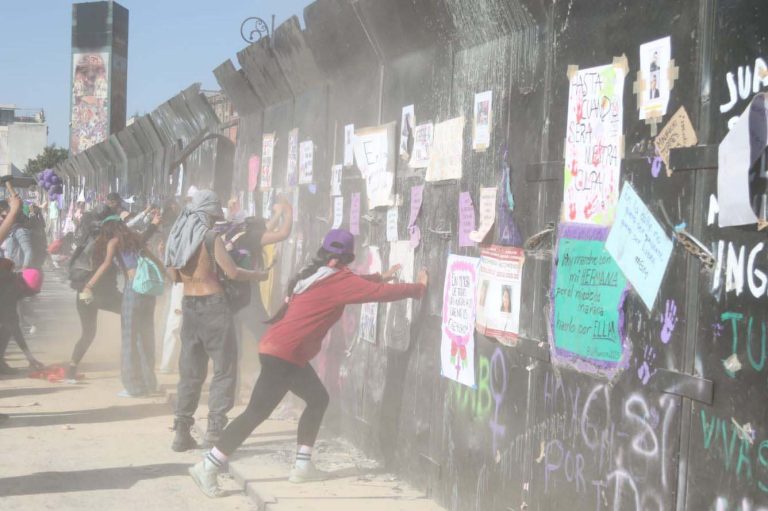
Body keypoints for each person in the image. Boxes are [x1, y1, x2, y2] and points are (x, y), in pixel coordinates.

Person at [188, 228, 428, 497]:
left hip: (280, 350)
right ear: (349, 256)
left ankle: (302, 465)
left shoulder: (316, 273)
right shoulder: (338, 279)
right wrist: (418, 288)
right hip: (285, 355)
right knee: (256, 413)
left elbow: (356, 285)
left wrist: (378, 277)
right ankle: (208, 466)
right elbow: (375, 293)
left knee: (317, 399)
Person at [165, 189, 268, 452]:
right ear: (208, 214)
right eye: (214, 215)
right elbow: (232, 272)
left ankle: (181, 432)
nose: (214, 221)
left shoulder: (176, 237)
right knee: (224, 369)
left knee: (190, 373)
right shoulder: (210, 238)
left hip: (189, 306)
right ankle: (214, 432)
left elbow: (174, 277)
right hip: (214, 307)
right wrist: (258, 275)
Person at [81, 217, 164, 396]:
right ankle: (150, 383)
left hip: (133, 291)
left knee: (129, 340)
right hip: (148, 293)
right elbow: (155, 260)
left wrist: (89, 285)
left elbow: (106, 264)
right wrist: (171, 278)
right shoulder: (136, 239)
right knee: (146, 338)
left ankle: (133, 386)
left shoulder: (114, 242)